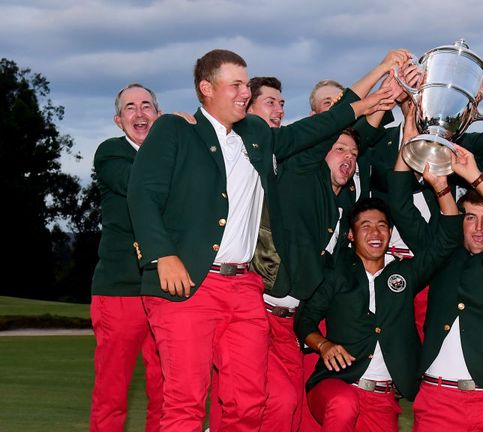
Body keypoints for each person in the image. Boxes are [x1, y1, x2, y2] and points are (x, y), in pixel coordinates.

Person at [127, 48, 393, 431]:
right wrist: (162, 254)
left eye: (245, 85)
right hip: (190, 282)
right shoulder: (176, 129)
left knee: (250, 401)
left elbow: (320, 126)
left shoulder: (256, 135)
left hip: (244, 289)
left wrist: (379, 76)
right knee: (185, 403)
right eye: (234, 84)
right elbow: (142, 192)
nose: (243, 93)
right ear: (206, 88)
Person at [391, 94, 483, 431]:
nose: (478, 227)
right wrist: (409, 137)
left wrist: (477, 176)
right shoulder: (441, 253)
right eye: (469, 218)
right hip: (438, 402)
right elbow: (399, 205)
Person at [295, 182, 462, 431]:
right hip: (336, 386)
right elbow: (304, 321)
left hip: (381, 399)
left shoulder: (405, 273)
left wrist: (441, 187)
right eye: (366, 226)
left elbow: (448, 238)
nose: (375, 233)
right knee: (344, 403)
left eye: (382, 226)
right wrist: (324, 345)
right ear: (351, 234)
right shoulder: (336, 272)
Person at [90, 83, 164, 432]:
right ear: (119, 120)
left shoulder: (173, 157)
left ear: (157, 115)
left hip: (164, 289)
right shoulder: (110, 153)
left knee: (167, 393)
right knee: (112, 393)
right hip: (119, 290)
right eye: (130, 107)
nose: (139, 112)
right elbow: (138, 183)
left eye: (146, 105)